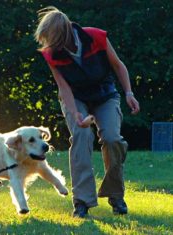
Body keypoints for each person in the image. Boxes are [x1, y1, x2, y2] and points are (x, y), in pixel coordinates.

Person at [34, 6, 140, 218]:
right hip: (76, 98)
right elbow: (63, 88)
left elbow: (118, 66)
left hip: (105, 95)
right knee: (81, 135)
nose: (49, 46)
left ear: (63, 32)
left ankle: (115, 195)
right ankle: (82, 202)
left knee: (112, 138)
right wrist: (76, 115)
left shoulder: (96, 37)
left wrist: (128, 92)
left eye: (52, 40)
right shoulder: (51, 53)